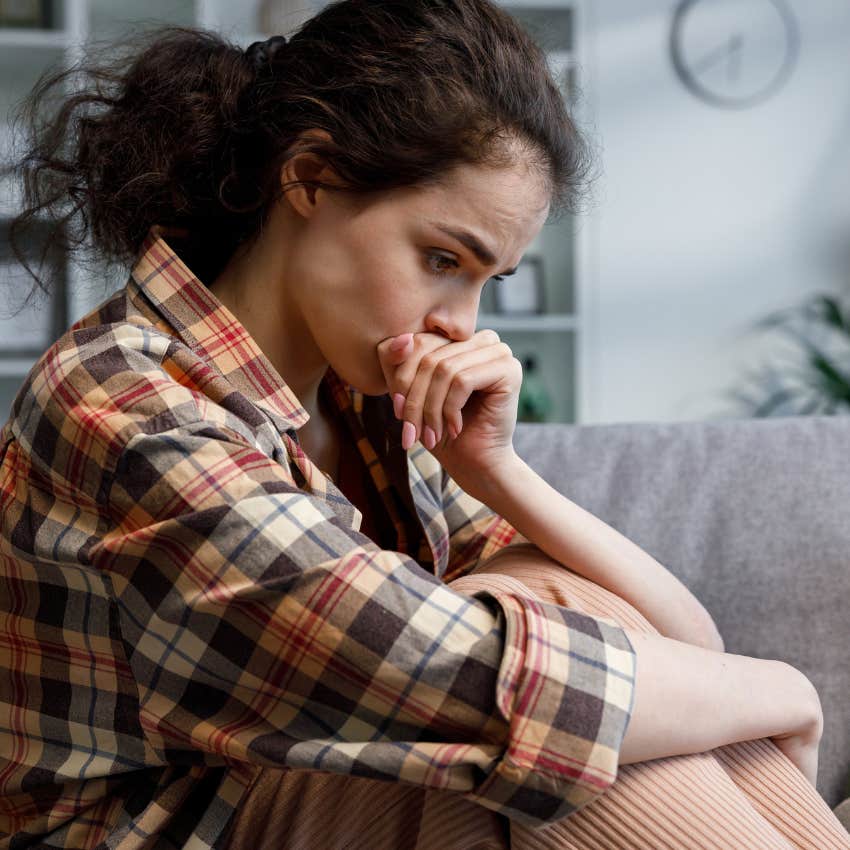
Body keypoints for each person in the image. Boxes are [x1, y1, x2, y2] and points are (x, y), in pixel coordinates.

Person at [0, 1, 847, 848]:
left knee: (554, 608)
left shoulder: (367, 397)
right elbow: (468, 684)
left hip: (298, 801)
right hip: (180, 828)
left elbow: (674, 641)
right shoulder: (126, 404)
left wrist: (500, 472)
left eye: (487, 280)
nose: (461, 325)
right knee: (545, 710)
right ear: (310, 179)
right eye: (442, 260)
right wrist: (780, 692)